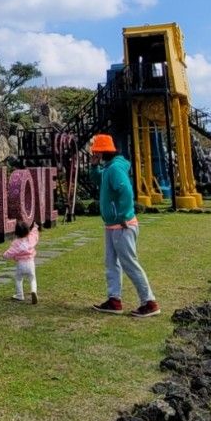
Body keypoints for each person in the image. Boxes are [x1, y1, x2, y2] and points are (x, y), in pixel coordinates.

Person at [90, 134, 160, 318]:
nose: (94, 152)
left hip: (122, 225)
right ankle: (114, 300)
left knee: (129, 263)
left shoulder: (114, 169)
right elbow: (98, 181)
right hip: (113, 225)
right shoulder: (108, 168)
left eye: (96, 150)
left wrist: (122, 215)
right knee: (111, 263)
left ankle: (149, 302)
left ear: (103, 151)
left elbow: (126, 192)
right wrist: (94, 166)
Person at [4, 219, 39, 304]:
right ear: (27, 230)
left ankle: (19, 295)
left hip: (21, 264)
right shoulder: (31, 239)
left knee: (18, 279)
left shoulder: (16, 243)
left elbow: (11, 252)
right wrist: (35, 227)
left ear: (16, 232)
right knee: (32, 279)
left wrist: (4, 255)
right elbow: (34, 234)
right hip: (30, 263)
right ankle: (33, 291)